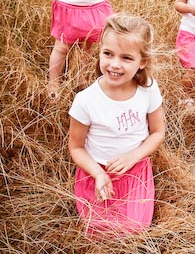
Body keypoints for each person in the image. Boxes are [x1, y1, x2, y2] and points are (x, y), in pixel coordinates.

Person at [68, 13, 165, 235]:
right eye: (108, 54)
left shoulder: (148, 89)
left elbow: (158, 132)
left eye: (126, 58)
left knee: (134, 229)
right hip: (96, 171)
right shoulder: (86, 100)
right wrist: (98, 174)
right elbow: (76, 147)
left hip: (135, 169)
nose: (114, 64)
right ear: (100, 52)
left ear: (143, 62)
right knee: (98, 229)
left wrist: (133, 156)